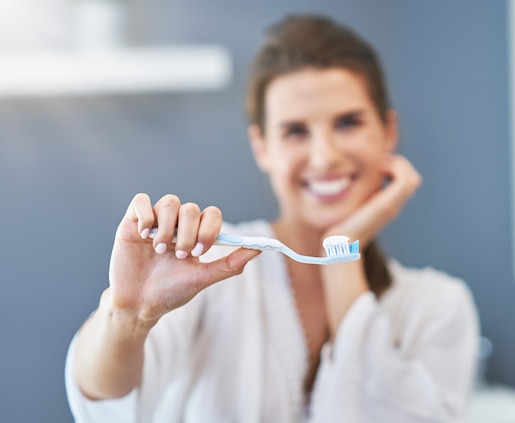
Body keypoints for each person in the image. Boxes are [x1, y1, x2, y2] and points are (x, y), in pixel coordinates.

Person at [65, 14, 479, 423]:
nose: (325, 156)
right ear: (261, 147)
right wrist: (127, 314)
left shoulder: (439, 307)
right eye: (295, 131)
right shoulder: (204, 267)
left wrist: (341, 251)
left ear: (388, 131)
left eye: (348, 122)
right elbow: (104, 398)